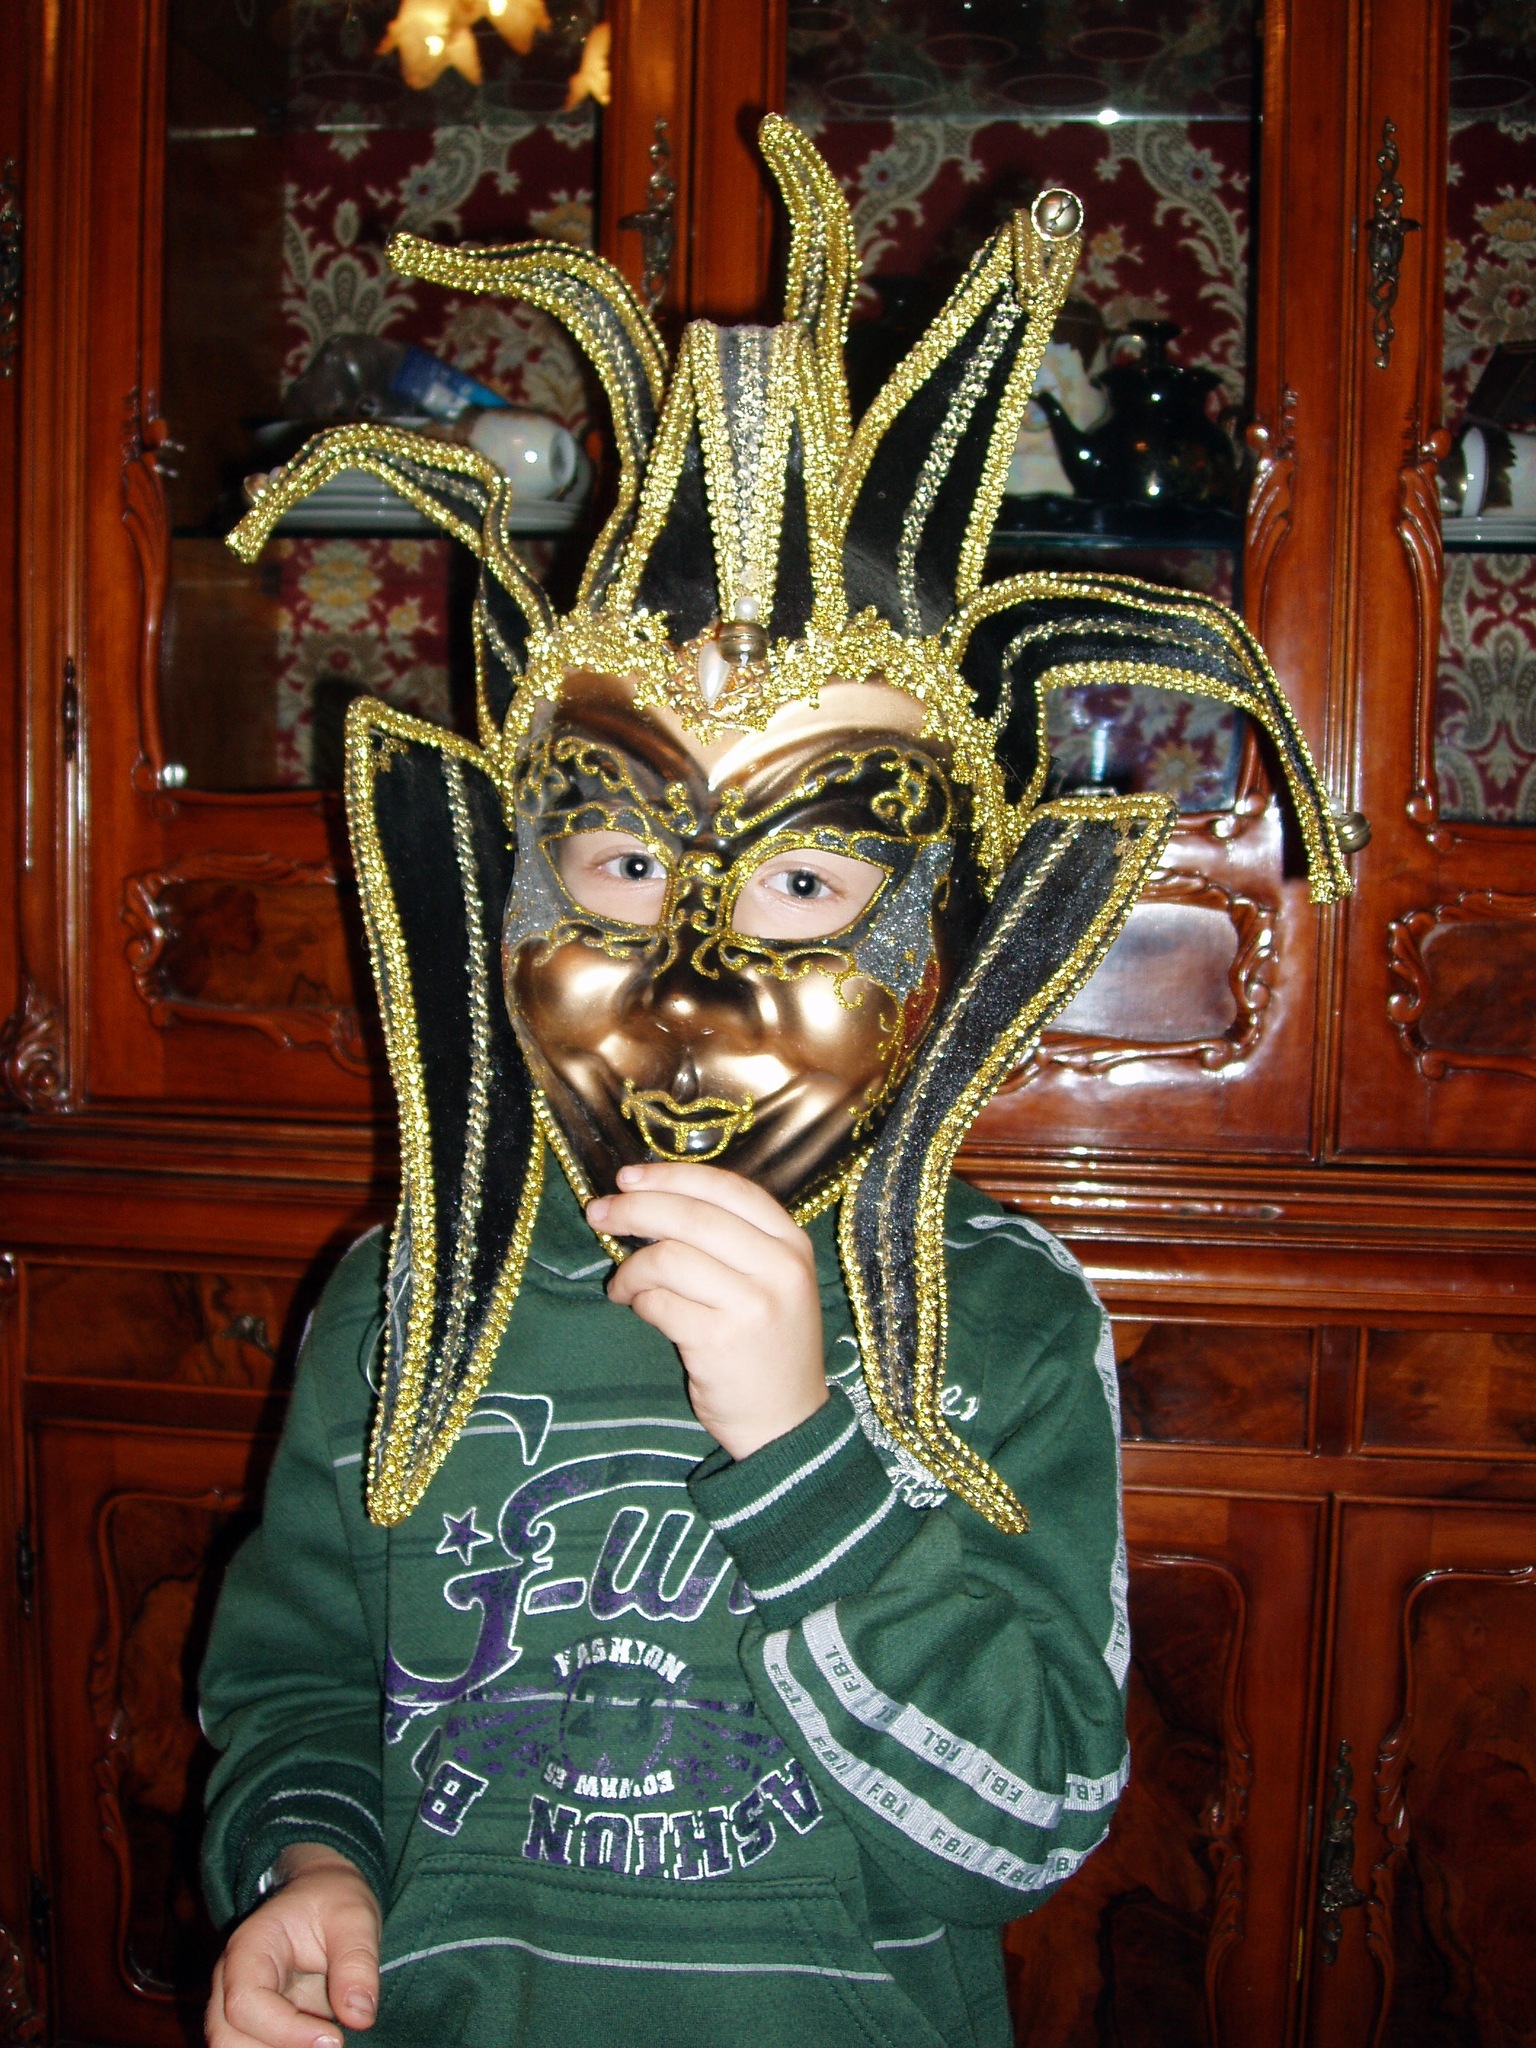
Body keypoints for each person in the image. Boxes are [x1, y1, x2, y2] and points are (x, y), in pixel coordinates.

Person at [199, 118, 1349, 2048]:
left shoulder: (998, 1324)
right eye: (623, 863)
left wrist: (804, 1448)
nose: (691, 982)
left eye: (806, 885)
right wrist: (308, 1862)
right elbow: (302, 1679)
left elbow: (1023, 1827)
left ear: (930, 947)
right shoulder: (405, 1303)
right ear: (511, 887)